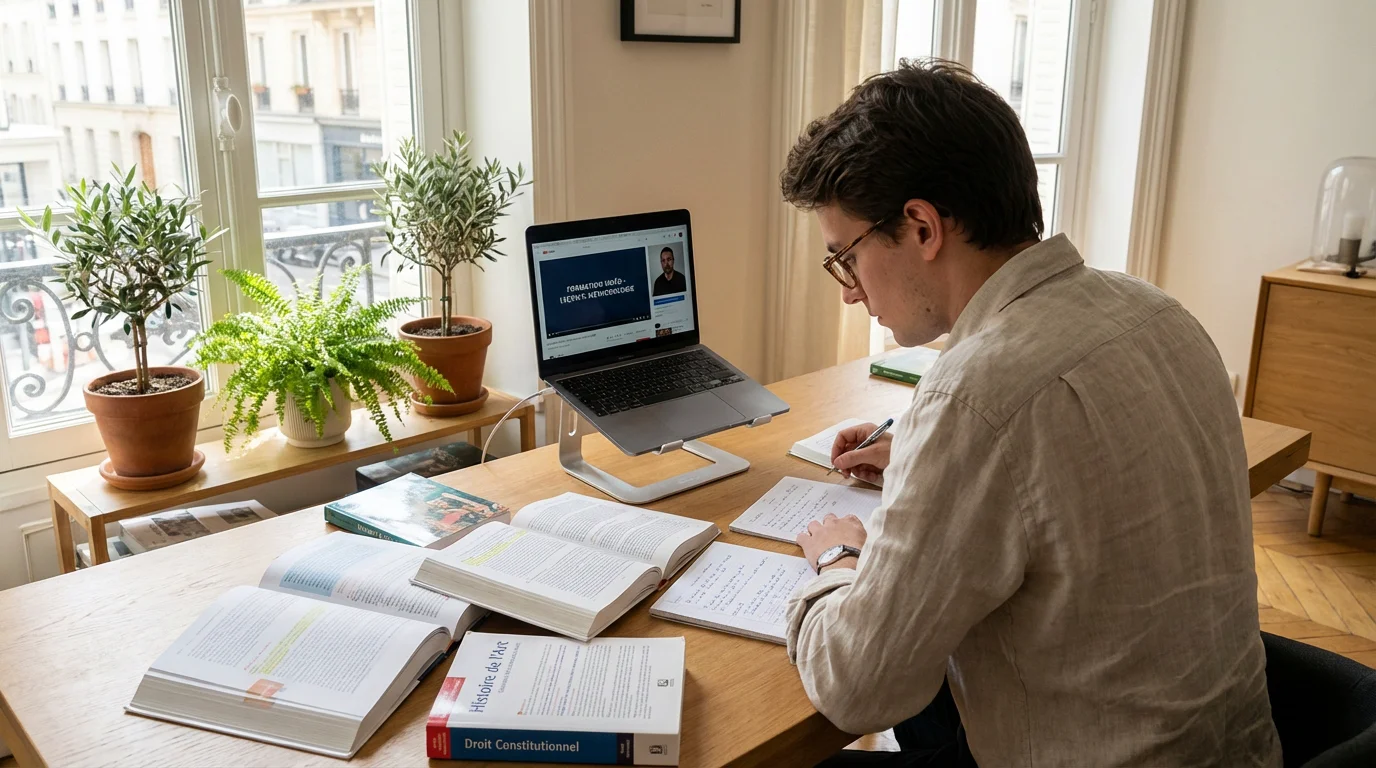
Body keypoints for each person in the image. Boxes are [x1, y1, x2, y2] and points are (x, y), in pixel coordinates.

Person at [780, 59, 1279, 767]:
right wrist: (931, 469)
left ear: (921, 227)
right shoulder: (1158, 312)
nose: (850, 293)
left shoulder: (977, 397)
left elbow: (857, 688)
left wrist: (837, 559)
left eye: (846, 259)